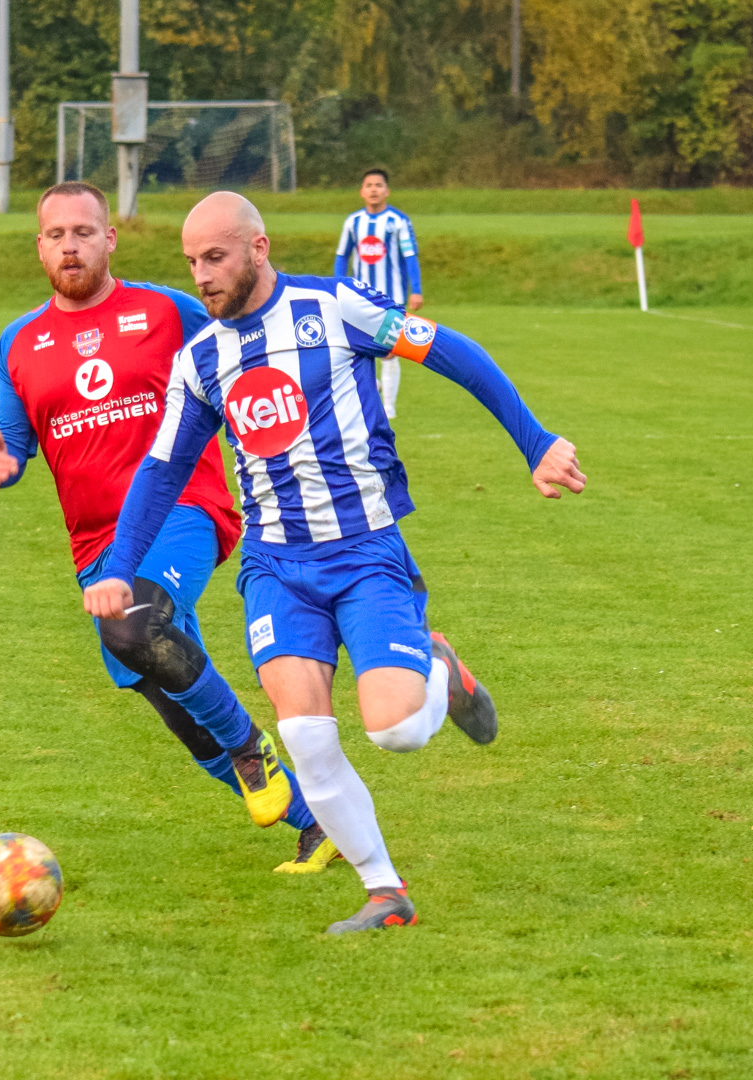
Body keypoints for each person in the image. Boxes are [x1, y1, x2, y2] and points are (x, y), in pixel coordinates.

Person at [85, 192, 587, 932]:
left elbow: (453, 352)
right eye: (191, 262)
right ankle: (385, 893)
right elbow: (163, 471)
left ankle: (439, 671)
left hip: (363, 552)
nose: (202, 276)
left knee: (394, 730)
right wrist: (118, 566)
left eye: (215, 257)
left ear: (258, 248)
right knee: (305, 737)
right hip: (275, 568)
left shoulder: (336, 308)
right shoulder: (202, 360)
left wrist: (535, 442)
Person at [0, 181, 337, 873]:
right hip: (95, 544)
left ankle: (251, 747)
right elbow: (12, 433)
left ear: (110, 239)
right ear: (40, 247)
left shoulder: (168, 312)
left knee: (135, 626)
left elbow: (246, 350)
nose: (70, 246)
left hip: (183, 510)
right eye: (56, 235)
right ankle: (317, 822)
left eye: (84, 231)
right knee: (174, 704)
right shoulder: (18, 341)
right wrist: (2, 457)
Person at [333, 168, 421, 418]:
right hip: (359, 296)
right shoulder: (353, 222)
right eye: (369, 185)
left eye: (379, 185)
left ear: (387, 191)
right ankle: (375, 385)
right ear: (362, 191)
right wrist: (337, 286)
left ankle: (388, 407)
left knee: (390, 350)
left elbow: (410, 256)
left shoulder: (398, 221)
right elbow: (342, 255)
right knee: (355, 347)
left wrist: (416, 290)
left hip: (391, 297)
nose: (374, 190)